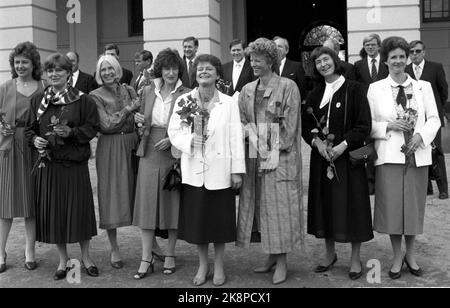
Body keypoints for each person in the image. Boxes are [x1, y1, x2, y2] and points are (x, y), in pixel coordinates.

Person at [168, 54, 245, 287]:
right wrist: (191, 140)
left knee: (219, 224)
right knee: (199, 224)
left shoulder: (229, 102)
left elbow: (235, 137)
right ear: (195, 74)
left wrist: (237, 171)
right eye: (200, 69)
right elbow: (174, 131)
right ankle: (203, 265)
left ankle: (219, 266)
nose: (203, 72)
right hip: (194, 171)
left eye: (209, 69)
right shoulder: (185, 100)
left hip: (220, 172)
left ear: (217, 74)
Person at [367, 36, 440, 279]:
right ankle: (397, 256)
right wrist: (388, 125)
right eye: (393, 57)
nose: (398, 61)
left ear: (407, 59)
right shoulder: (375, 89)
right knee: (393, 209)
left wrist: (421, 135)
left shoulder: (424, 87)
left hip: (416, 155)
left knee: (413, 208)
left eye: (401, 56)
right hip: (389, 157)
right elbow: (368, 124)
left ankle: (411, 254)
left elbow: (434, 119)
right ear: (385, 61)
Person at [24, 53, 100, 280]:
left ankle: (86, 257)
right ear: (46, 74)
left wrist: (72, 132)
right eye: (50, 71)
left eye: (59, 70)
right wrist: (34, 140)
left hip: (74, 165)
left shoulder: (83, 100)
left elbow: (92, 128)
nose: (54, 74)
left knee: (80, 213)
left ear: (69, 73)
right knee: (56, 214)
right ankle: (63, 259)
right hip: (50, 166)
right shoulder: (39, 100)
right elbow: (30, 129)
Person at [236, 38, 304, 285]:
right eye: (251, 59)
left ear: (271, 61)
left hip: (281, 159)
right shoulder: (246, 90)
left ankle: (283, 262)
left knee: (280, 210)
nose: (253, 63)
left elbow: (290, 126)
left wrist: (266, 143)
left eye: (258, 59)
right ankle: (271, 257)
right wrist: (253, 139)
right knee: (262, 210)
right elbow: (242, 120)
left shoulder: (288, 86)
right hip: (255, 158)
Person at [302, 46, 373, 280]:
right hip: (323, 160)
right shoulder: (313, 95)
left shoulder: (354, 89)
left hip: (348, 159)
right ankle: (330, 254)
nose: (323, 65)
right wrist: (319, 145)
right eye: (318, 62)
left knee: (353, 206)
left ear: (335, 60)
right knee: (326, 205)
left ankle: (354, 258)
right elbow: (306, 128)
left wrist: (341, 147)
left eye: (326, 59)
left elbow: (363, 125)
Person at [132, 48, 191, 279]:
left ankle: (170, 254)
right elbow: (142, 121)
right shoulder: (148, 91)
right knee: (147, 206)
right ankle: (146, 256)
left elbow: (191, 125)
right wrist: (139, 122)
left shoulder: (187, 94)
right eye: (166, 68)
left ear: (179, 70)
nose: (170, 72)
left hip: (172, 153)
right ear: (160, 70)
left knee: (172, 204)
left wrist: (173, 138)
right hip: (148, 151)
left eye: (174, 68)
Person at [90, 55, 140, 270]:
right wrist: (129, 110)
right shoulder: (95, 95)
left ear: (118, 69)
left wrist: (139, 119)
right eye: (103, 70)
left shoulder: (129, 89)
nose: (108, 73)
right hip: (109, 146)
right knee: (111, 196)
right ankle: (114, 247)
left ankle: (152, 243)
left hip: (133, 143)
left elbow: (141, 112)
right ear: (99, 74)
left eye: (111, 68)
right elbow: (107, 124)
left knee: (139, 193)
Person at [0, 42, 45, 274]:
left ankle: (30, 251)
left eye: (24, 62)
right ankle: (1, 252)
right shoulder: (5, 87)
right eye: (17, 62)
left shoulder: (43, 87)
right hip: (8, 148)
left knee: (30, 203)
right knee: (5, 204)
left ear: (33, 64)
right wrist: (1, 128)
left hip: (33, 148)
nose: (20, 66)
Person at [406, 40, 448, 200]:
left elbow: (444, 91)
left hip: (432, 119)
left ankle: (443, 188)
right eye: (411, 52)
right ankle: (427, 188)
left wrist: (436, 109)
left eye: (417, 51)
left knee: (436, 152)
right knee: (418, 150)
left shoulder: (435, 67)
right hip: (413, 119)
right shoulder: (406, 69)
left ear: (424, 52)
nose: (414, 54)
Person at [352, 33, 389, 196]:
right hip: (365, 109)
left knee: (383, 145)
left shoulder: (386, 64)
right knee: (367, 145)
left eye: (373, 44)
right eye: (367, 44)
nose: (370, 47)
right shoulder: (358, 65)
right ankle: (369, 184)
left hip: (384, 108)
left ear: (379, 46)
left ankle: (384, 181)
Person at [273, 36, 306, 100]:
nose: (276, 49)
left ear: (286, 50)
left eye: (279, 46)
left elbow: (301, 90)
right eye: (274, 47)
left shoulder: (296, 66)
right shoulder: (268, 67)